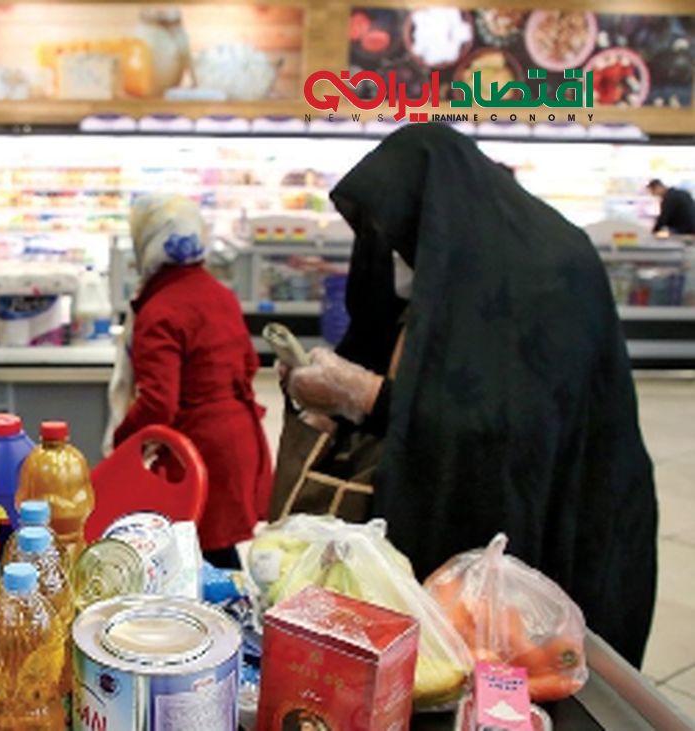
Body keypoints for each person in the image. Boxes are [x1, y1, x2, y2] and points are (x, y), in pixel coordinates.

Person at [282, 123, 657, 665]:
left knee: (534, 667)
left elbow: (504, 433)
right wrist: (331, 394)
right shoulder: (461, 265)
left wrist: (364, 395)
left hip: (564, 517)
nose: (392, 250)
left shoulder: (541, 273)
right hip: (482, 535)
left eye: (400, 231)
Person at [106, 194, 274, 569]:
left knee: (195, 556)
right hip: (240, 438)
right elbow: (249, 363)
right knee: (217, 553)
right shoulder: (220, 294)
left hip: (199, 450)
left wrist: (122, 443)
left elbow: (159, 403)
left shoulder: (161, 309)